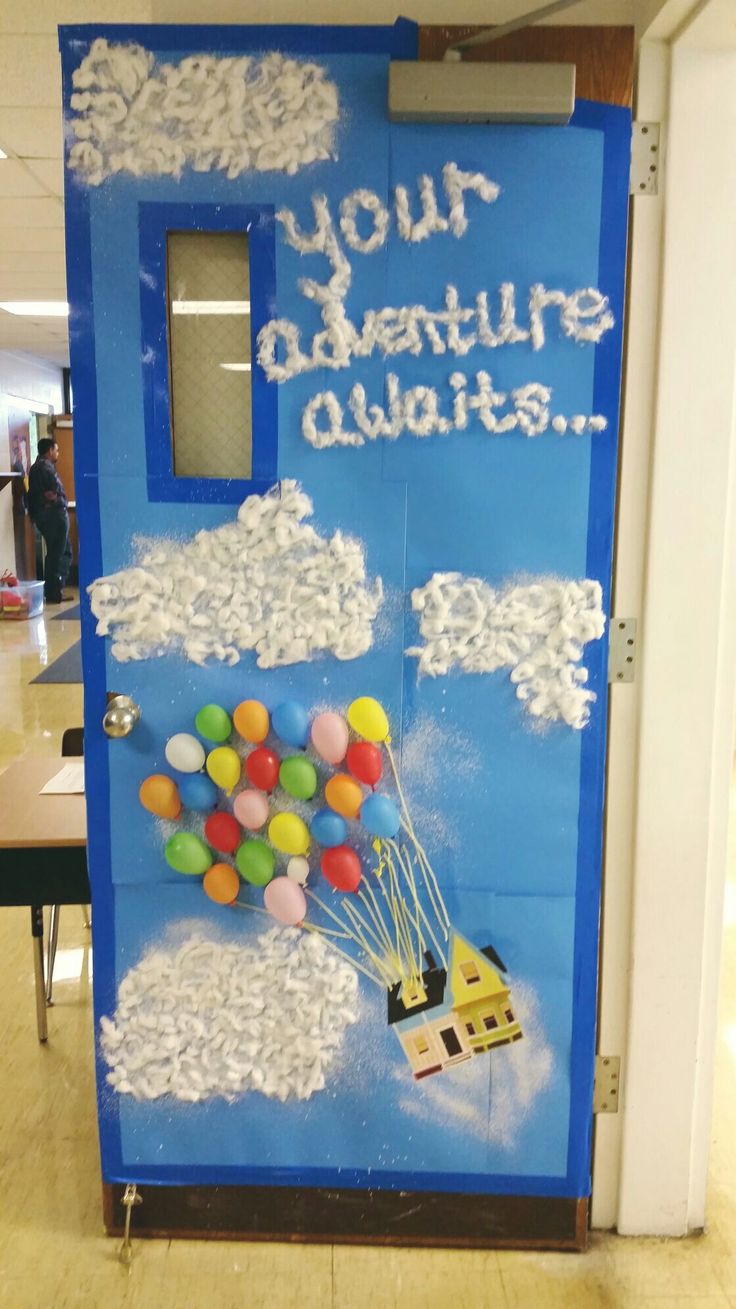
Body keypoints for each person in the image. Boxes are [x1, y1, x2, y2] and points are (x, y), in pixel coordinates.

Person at [28, 437, 72, 604]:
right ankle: (54, 592)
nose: (58, 453)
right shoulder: (45, 468)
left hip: (48, 517)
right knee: (58, 553)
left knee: (60, 552)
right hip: (54, 516)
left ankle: (55, 590)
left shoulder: (36, 468)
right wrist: (57, 501)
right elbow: (53, 492)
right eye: (57, 450)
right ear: (49, 451)